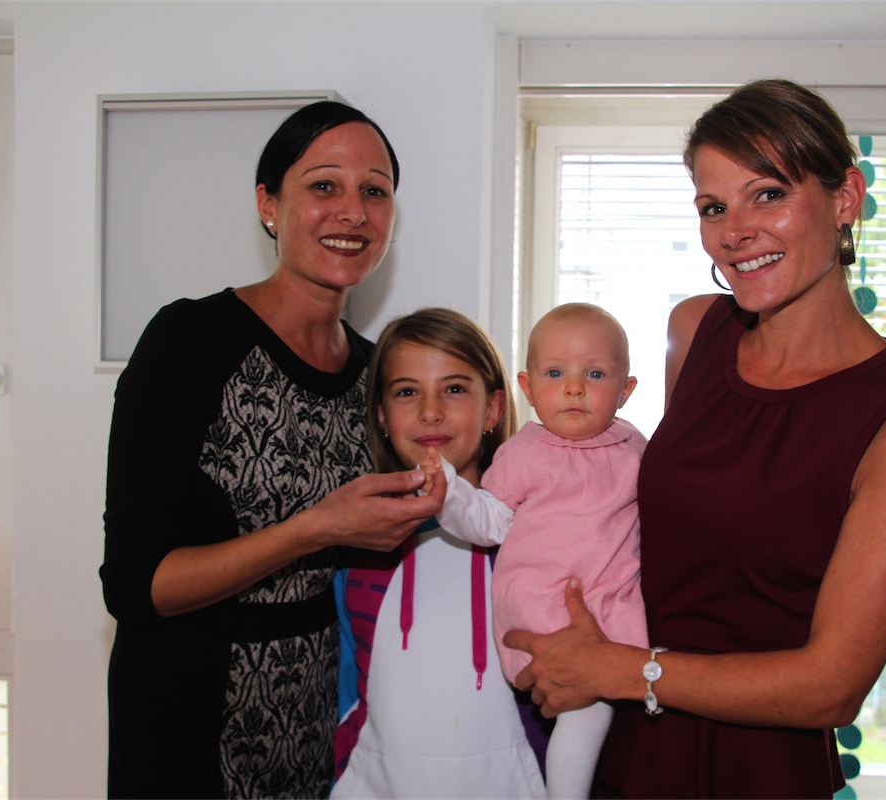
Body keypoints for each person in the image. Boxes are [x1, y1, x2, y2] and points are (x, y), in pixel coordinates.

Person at [504, 79, 886, 799]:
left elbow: (833, 685)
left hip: (758, 767)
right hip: (622, 743)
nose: (734, 231)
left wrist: (624, 669)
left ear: (845, 198)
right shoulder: (695, 331)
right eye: (713, 207)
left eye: (768, 194)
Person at [101, 101, 443, 799]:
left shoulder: (378, 374)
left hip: (323, 716)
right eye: (324, 186)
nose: (353, 211)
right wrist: (313, 528)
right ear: (268, 204)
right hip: (188, 716)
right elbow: (134, 587)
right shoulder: (188, 343)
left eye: (374, 191)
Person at [422, 303, 649, 799]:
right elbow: (488, 522)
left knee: (633, 689)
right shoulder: (524, 453)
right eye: (555, 373)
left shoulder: (635, 448)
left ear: (626, 390)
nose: (574, 388)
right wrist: (451, 493)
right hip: (545, 607)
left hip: (614, 601)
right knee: (586, 712)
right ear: (527, 388)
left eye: (595, 374)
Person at [330, 307, 546, 799]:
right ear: (382, 416)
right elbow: (347, 693)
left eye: (454, 389)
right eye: (407, 392)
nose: (430, 411)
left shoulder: (534, 537)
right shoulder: (359, 545)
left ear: (493, 409)